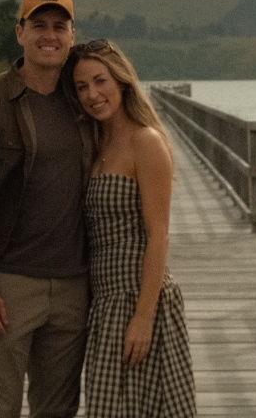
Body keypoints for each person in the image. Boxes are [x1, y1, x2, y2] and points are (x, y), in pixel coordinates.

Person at [0, 0, 95, 418]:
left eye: (60, 26)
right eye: (39, 25)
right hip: (7, 285)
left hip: (72, 286)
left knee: (58, 410)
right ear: (20, 33)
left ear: (72, 35)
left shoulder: (83, 101)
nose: (50, 35)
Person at [70, 39, 197, 418]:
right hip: (105, 303)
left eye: (100, 81)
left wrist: (143, 318)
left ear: (122, 81)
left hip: (139, 298)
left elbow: (159, 236)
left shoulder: (146, 141)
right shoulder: (95, 142)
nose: (92, 94)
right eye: (81, 87)